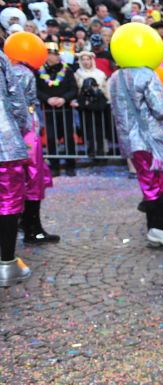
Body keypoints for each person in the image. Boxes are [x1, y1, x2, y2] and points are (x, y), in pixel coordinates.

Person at [107, 22, 163, 248]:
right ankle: (159, 228)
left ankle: (153, 231)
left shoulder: (114, 78)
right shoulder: (147, 75)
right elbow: (160, 110)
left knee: (149, 184)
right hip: (153, 139)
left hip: (130, 141)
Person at [8, 32, 59, 243]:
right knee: (33, 179)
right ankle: (32, 228)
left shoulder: (11, 71)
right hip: (26, 134)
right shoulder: (24, 73)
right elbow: (21, 107)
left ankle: (27, 225)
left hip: (18, 134)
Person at [0, 50, 33, 286]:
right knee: (9, 201)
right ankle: (6, 262)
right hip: (4, 143)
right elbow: (16, 98)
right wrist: (21, 126)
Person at [36, 42, 78, 177]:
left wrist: (63, 99)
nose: (51, 57)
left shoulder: (67, 70)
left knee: (68, 137)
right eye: (48, 54)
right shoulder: (40, 71)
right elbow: (37, 90)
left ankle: (70, 165)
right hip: (49, 110)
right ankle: (54, 166)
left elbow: (73, 89)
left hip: (65, 109)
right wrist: (47, 99)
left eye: (53, 54)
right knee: (51, 137)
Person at [75, 50, 110, 160]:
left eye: (88, 59)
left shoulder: (100, 73)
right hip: (85, 106)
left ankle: (101, 150)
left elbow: (105, 88)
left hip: (99, 105)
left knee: (100, 128)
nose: (86, 62)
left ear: (92, 60)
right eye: (83, 60)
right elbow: (76, 89)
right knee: (87, 128)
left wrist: (108, 99)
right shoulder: (77, 74)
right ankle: (91, 150)